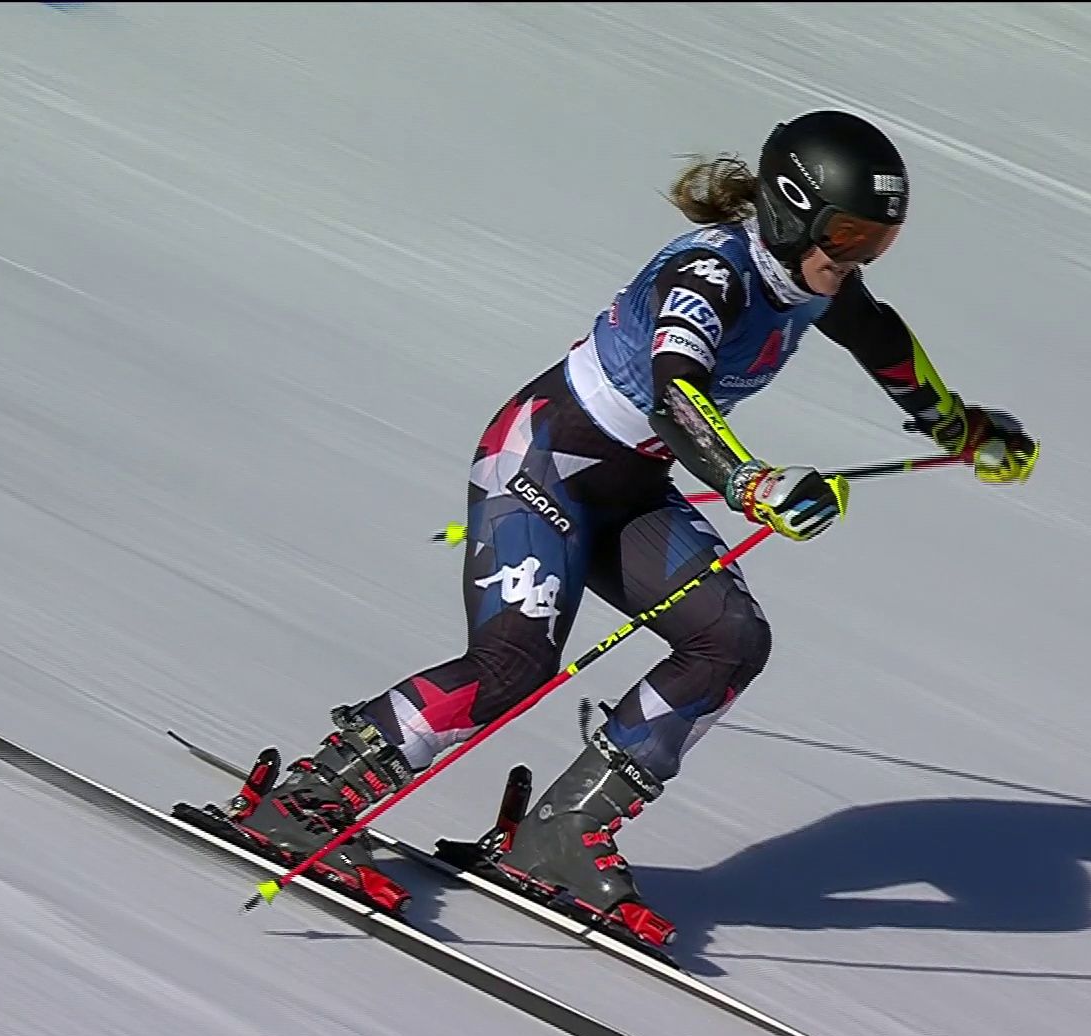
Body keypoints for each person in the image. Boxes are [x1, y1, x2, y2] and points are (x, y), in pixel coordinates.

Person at [217, 110, 1038, 944]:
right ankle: (311, 798)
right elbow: (674, 391)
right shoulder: (709, 274)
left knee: (729, 640)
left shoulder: (812, 282)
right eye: (849, 234)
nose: (858, 256)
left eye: (878, 241)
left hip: (629, 487)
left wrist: (957, 427)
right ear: (792, 213)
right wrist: (748, 481)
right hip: (540, 461)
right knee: (514, 661)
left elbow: (881, 337)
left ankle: (561, 834)